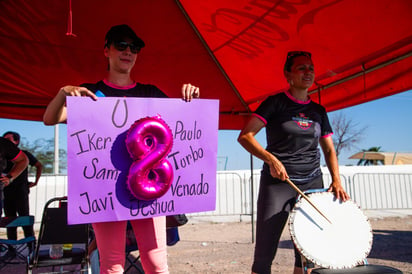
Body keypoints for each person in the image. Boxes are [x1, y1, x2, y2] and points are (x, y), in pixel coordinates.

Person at [43, 24, 199, 274]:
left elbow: (183, 128)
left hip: (149, 190)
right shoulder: (89, 94)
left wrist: (191, 98)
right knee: (112, 264)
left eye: (134, 47)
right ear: (106, 50)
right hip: (105, 190)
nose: (128, 51)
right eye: (121, 45)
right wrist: (64, 92)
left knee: (157, 264)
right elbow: (51, 119)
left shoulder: (151, 93)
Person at [237, 51, 350, 274]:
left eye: (311, 68)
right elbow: (245, 136)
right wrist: (271, 160)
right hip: (278, 184)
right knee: (264, 253)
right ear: (288, 74)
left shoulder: (318, 111)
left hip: (312, 184)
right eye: (301, 68)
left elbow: (328, 149)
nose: (308, 72)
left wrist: (336, 180)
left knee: (307, 254)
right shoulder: (275, 103)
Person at [2, 131, 43, 255]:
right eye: (4, 139)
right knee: (10, 220)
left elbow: (38, 165)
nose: (6, 142)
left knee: (25, 218)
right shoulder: (4, 155)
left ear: (16, 141)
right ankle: (11, 249)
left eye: (9, 139)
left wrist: (35, 181)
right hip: (6, 191)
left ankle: (32, 247)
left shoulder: (23, 154)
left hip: (21, 191)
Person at [0, 137, 29, 216]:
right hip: (8, 191)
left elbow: (23, 160)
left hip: (19, 189)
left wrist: (10, 178)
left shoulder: (2, 143)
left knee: (23, 213)